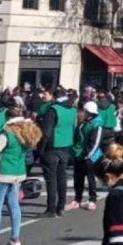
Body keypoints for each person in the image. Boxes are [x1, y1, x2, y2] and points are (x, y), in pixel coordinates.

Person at [0, 108, 41, 245]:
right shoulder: (26, 131)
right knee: (14, 205)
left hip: (2, 172)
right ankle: (15, 238)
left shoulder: (7, 132)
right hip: (18, 172)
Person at [39, 90, 78, 218]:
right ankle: (60, 207)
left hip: (52, 147)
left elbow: (46, 132)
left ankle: (51, 209)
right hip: (66, 145)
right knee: (62, 178)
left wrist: (41, 148)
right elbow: (74, 127)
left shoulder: (53, 110)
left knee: (51, 179)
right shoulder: (72, 110)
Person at [69, 102, 103, 210]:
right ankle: (77, 199)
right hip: (79, 154)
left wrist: (86, 155)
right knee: (78, 178)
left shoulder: (97, 124)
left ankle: (92, 199)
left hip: (91, 157)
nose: (83, 113)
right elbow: (77, 138)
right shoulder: (83, 123)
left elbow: (95, 143)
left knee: (90, 178)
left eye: (85, 111)